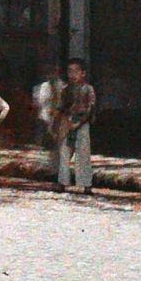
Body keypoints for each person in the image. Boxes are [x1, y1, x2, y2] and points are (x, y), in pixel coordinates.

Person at [55, 58, 96, 194]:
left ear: (83, 73)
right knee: (65, 152)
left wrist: (80, 122)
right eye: (70, 71)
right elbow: (61, 108)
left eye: (76, 71)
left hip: (82, 122)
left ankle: (86, 183)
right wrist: (61, 124)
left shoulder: (88, 89)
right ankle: (62, 182)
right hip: (68, 121)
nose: (73, 75)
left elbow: (90, 108)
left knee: (83, 153)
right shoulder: (65, 90)